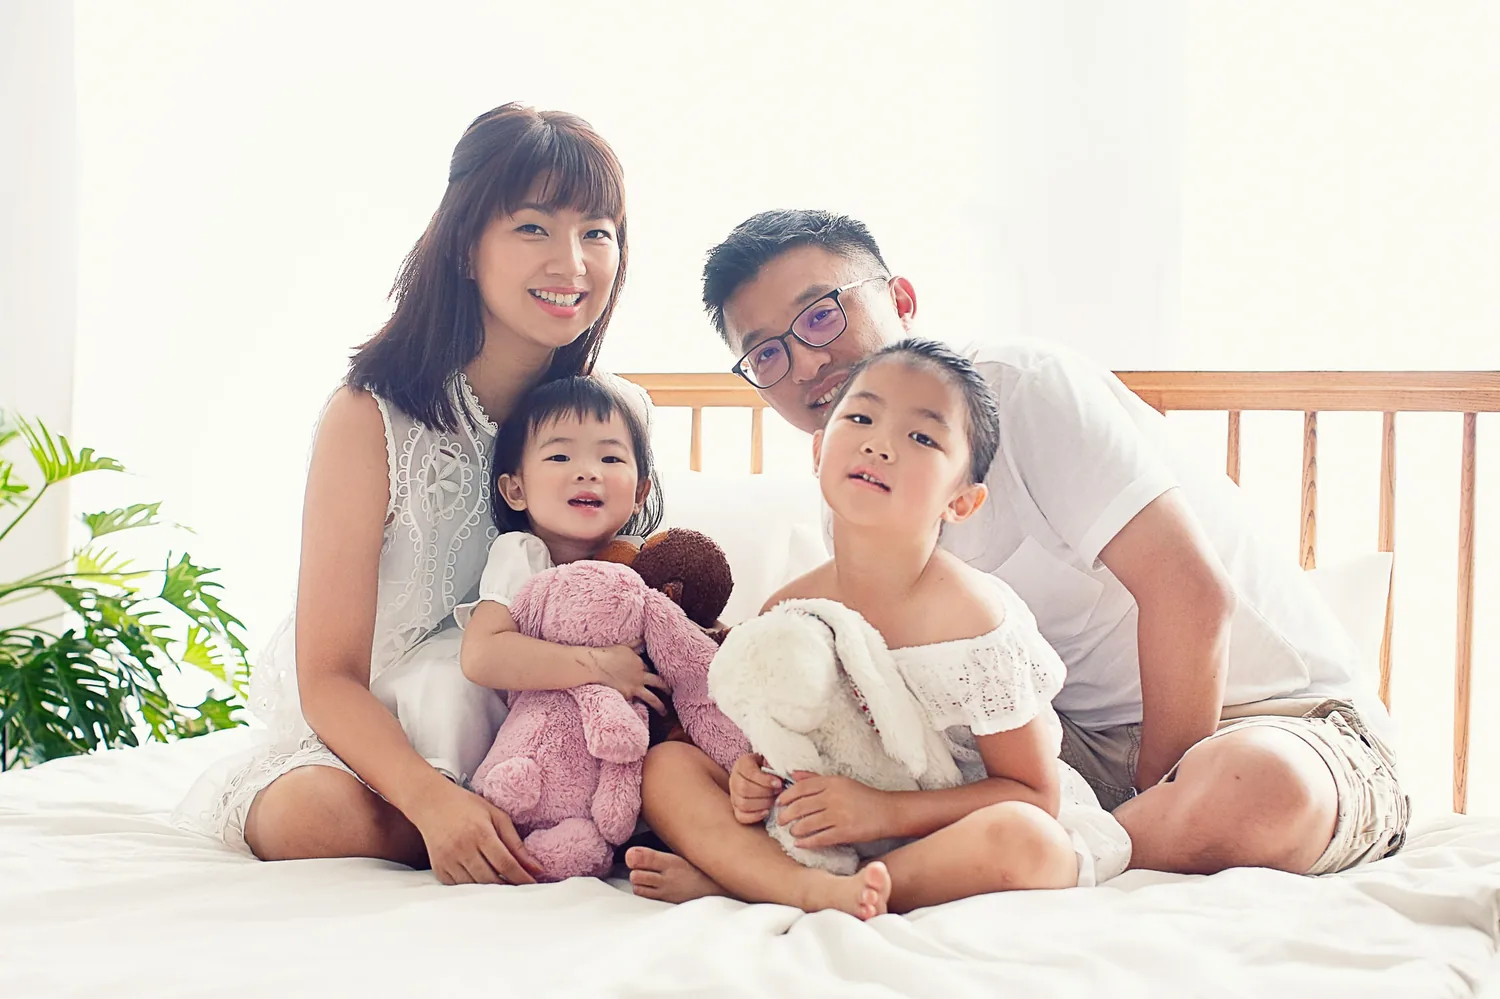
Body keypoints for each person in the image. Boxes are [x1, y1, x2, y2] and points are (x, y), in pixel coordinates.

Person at [625, 209, 1406, 901]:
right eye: (765, 356)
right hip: (1058, 756)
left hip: (1268, 724)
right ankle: (863, 874)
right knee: (683, 767)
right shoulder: (853, 490)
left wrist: (1139, 805)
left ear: (900, 299)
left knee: (1254, 791)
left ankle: (1003, 866)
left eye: (821, 318)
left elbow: (1193, 596)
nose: (802, 365)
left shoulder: (1022, 388)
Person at [175, 103, 630, 887]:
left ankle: (537, 816)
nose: (573, 261)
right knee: (308, 815)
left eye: (597, 231)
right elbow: (328, 674)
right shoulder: (369, 418)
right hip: (375, 742)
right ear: (464, 245)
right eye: (533, 228)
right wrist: (429, 801)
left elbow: (629, 586)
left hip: (538, 727)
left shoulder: (612, 417)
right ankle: (492, 823)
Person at [636, 339, 1131, 918]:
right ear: (819, 450)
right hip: (830, 826)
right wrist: (752, 781)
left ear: (962, 502)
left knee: (1032, 842)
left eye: (922, 437)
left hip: (948, 831)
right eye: (861, 417)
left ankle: (761, 886)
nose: (879, 443)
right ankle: (805, 887)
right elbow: (773, 747)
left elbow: (1033, 793)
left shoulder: (974, 621)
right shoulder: (790, 607)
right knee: (667, 768)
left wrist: (883, 812)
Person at [456, 374, 667, 716]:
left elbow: (689, 630)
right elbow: (481, 655)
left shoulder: (644, 560)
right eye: (559, 457)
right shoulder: (523, 556)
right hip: (535, 726)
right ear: (516, 491)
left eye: (610, 459)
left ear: (640, 492)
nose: (587, 472)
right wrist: (598, 666)